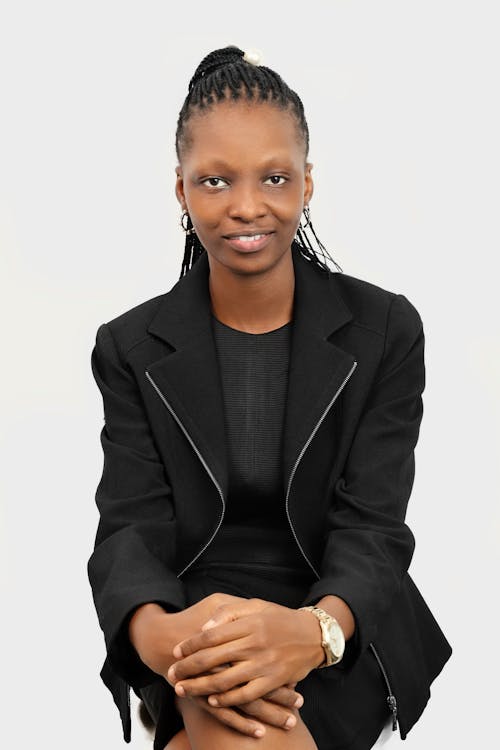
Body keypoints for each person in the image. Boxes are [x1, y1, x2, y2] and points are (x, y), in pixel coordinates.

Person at [87, 45, 452, 750]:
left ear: (308, 183)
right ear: (181, 190)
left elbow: (374, 527)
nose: (247, 206)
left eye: (275, 177)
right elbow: (129, 530)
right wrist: (167, 643)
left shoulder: (384, 331)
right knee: (228, 710)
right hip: (196, 616)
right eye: (215, 181)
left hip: (343, 618)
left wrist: (310, 634)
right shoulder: (129, 346)